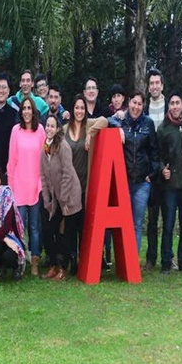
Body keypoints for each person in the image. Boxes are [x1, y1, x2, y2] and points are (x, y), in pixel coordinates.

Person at [108, 91, 160, 258]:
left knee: (136, 223)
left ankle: (132, 259)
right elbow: (107, 120)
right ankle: (122, 259)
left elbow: (154, 151)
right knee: (123, 221)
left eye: (139, 104)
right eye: (134, 103)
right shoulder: (120, 120)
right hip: (124, 180)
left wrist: (151, 174)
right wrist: (117, 126)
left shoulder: (148, 123)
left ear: (142, 106)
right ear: (128, 103)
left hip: (142, 183)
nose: (136, 107)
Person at [65, 94, 107, 266]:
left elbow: (105, 120)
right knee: (69, 225)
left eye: (82, 108)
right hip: (68, 186)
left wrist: (90, 133)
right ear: (72, 109)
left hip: (84, 185)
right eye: (77, 107)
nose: (80, 111)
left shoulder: (89, 124)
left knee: (84, 224)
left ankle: (85, 260)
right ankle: (72, 259)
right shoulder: (64, 128)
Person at [40, 115, 83, 280]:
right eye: (47, 126)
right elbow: (44, 178)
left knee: (66, 234)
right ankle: (53, 265)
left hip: (69, 196)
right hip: (56, 199)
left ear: (58, 129)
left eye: (52, 126)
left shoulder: (63, 146)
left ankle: (64, 269)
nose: (49, 128)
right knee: (49, 230)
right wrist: (47, 201)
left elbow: (67, 174)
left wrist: (64, 200)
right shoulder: (44, 149)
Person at [157, 92, 182, 274]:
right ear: (168, 106)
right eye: (171, 103)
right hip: (170, 186)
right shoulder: (163, 128)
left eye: (177, 103)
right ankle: (166, 262)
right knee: (168, 225)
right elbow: (157, 155)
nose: (174, 106)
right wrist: (162, 168)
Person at [7, 96, 45, 276]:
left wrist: (42, 183)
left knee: (35, 228)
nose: (27, 111)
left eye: (30, 108)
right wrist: (11, 187)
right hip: (19, 187)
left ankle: (35, 261)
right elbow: (11, 161)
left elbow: (46, 158)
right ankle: (20, 261)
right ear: (21, 111)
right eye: (24, 108)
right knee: (19, 229)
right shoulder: (16, 130)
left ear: (34, 111)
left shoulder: (40, 131)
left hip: (35, 187)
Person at [143, 68, 169, 271]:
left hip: (169, 170)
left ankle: (168, 258)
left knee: (169, 217)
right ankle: (151, 258)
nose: (154, 86)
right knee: (152, 219)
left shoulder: (172, 106)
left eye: (157, 83)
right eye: (151, 83)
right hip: (152, 171)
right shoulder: (143, 108)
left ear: (162, 85)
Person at [0, 73, 18, 178]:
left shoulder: (15, 114)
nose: (1, 91)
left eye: (4, 87)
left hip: (7, 171)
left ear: (9, 91)